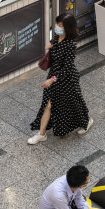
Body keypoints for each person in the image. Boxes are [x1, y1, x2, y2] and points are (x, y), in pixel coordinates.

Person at [28, 14, 93, 144]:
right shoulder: (56, 37)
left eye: (61, 26)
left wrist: (52, 79)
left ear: (67, 27)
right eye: (57, 24)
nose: (57, 27)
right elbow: (53, 57)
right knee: (48, 104)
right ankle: (41, 133)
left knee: (73, 102)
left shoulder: (70, 45)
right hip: (54, 75)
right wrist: (49, 48)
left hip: (66, 79)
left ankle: (87, 121)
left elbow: (67, 68)